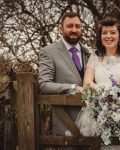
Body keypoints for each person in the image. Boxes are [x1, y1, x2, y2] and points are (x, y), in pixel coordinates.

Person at [71, 17, 120, 150]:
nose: (108, 36)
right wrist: (102, 93)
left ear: (119, 35)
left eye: (113, 32)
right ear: (100, 36)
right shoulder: (95, 56)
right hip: (97, 111)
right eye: (104, 33)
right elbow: (87, 82)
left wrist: (105, 94)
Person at [38, 11, 90, 149]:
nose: (74, 30)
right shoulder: (48, 52)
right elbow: (44, 85)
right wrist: (73, 88)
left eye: (78, 26)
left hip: (93, 123)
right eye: (70, 26)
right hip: (66, 124)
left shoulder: (90, 52)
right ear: (61, 29)